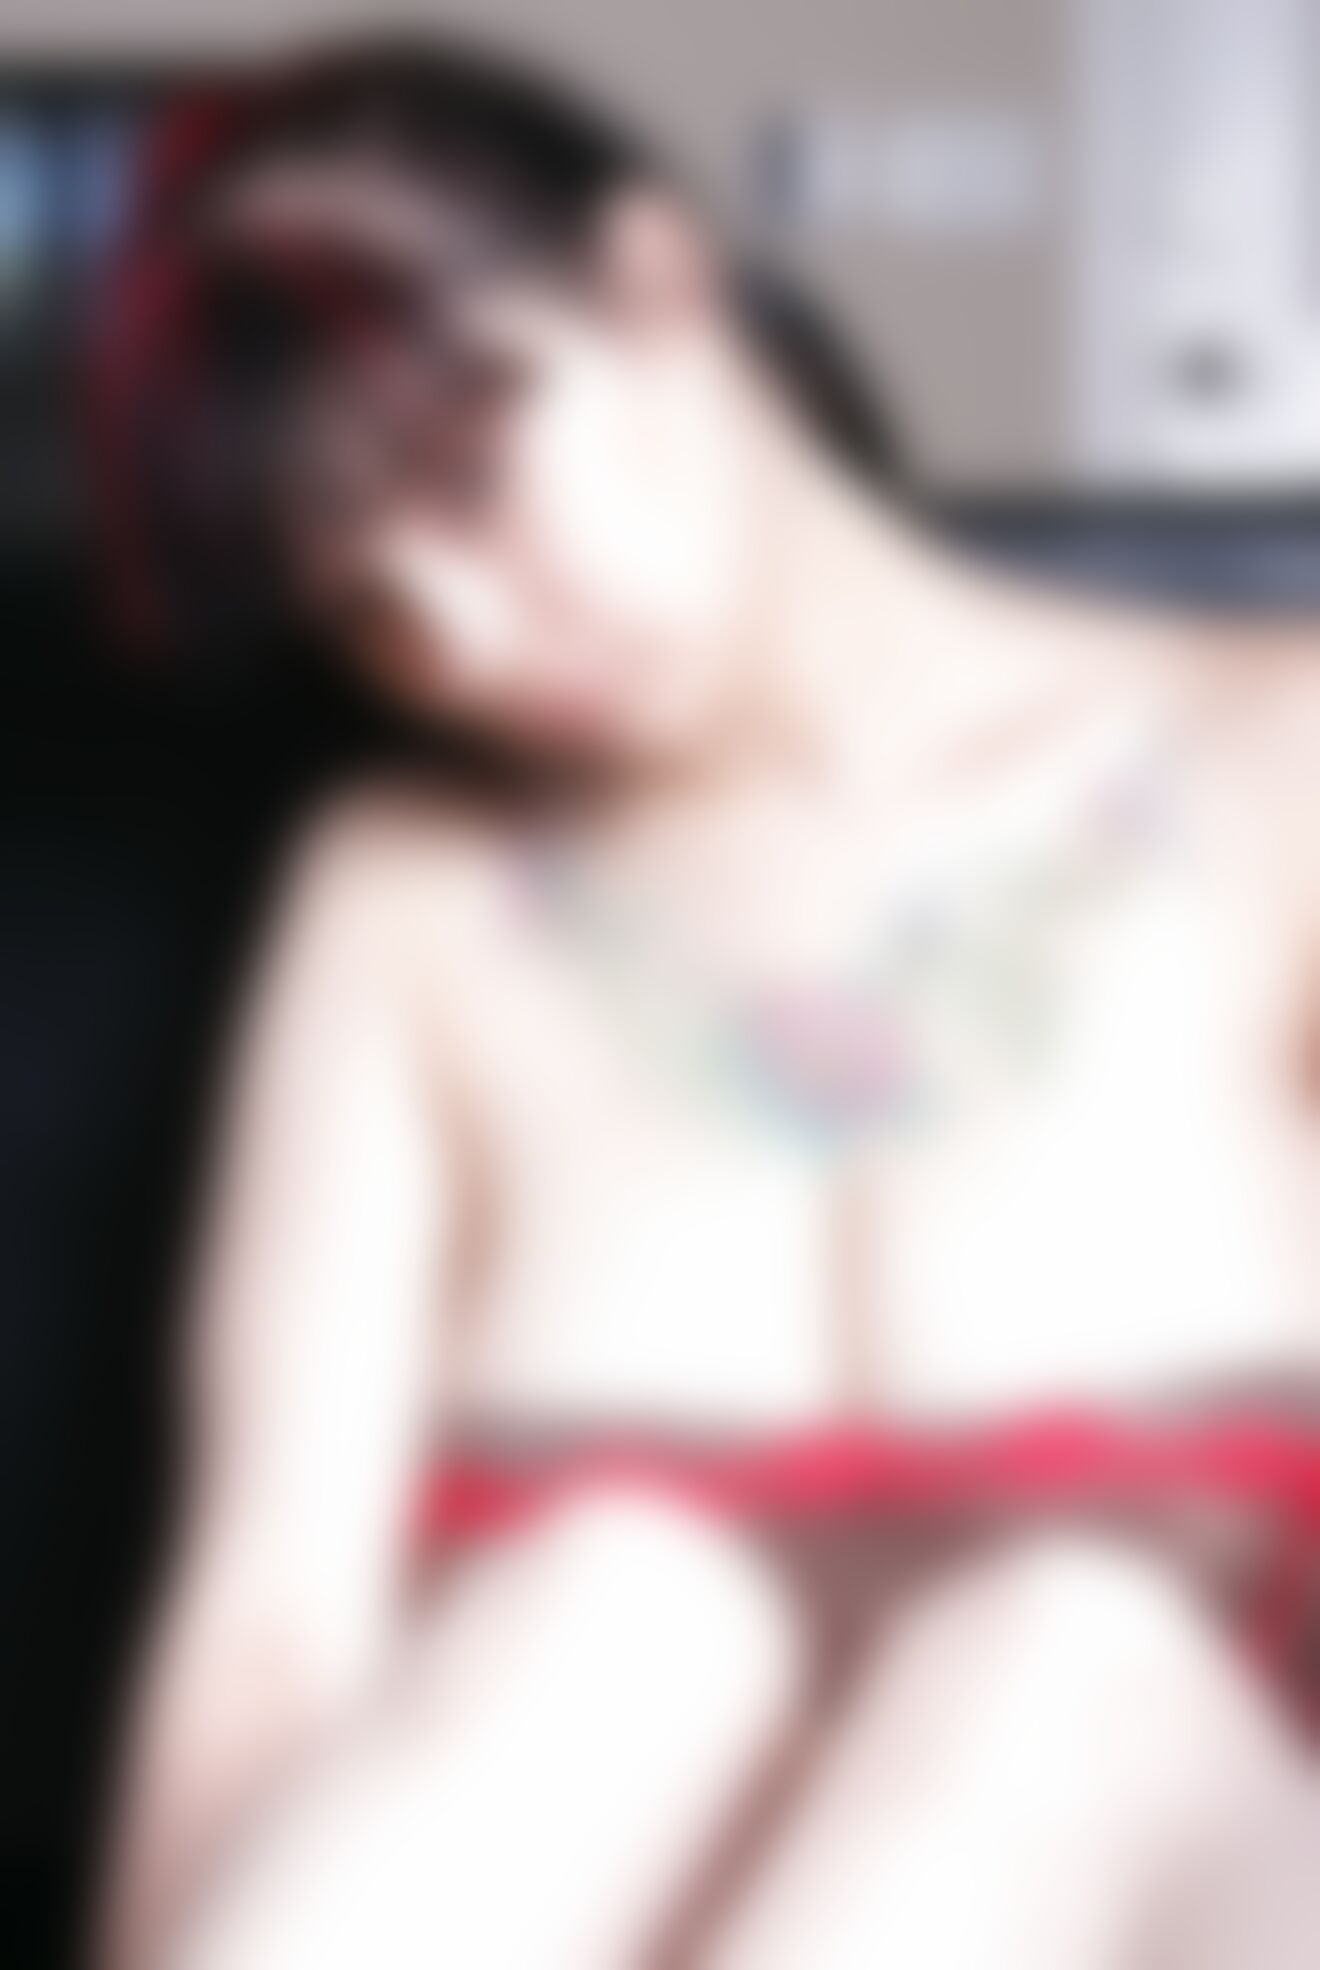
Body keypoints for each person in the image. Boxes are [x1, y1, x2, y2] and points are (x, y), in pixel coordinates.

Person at [89, 35, 1320, 1970]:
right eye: (367, 604)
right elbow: (274, 1627)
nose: (460, 639)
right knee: (607, 1610)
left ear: (660, 281)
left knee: (1062, 1665)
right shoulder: (405, 895)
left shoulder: (1279, 762)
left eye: (469, 480)